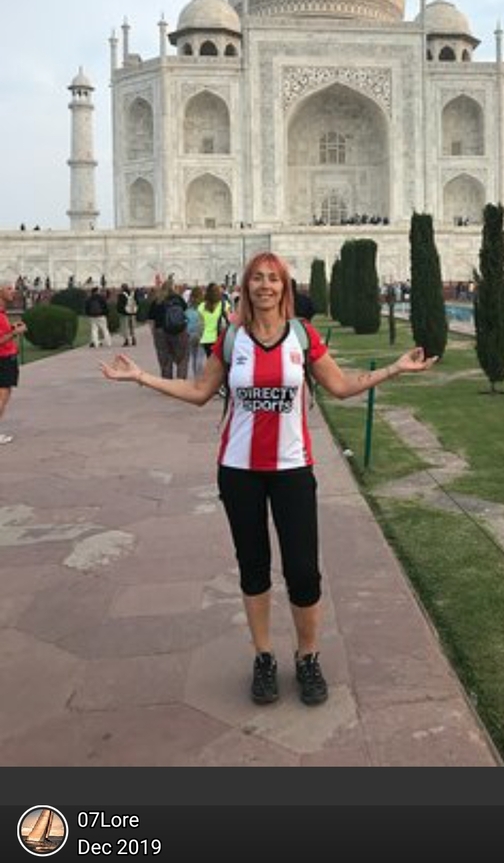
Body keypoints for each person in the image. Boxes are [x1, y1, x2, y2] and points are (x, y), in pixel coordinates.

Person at [100, 251, 438, 707]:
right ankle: (263, 657)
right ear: (246, 286)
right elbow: (200, 392)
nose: (265, 286)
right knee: (253, 567)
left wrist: (394, 369)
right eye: (257, 279)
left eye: (273, 279)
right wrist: (142, 376)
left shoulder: (302, 335)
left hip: (292, 469)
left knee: (303, 571)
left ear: (285, 287)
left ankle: (308, 656)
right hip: (240, 471)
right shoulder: (231, 339)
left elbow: (340, 385)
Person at [0, 282, 27, 445]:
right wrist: (15, 333)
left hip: (7, 358)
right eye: (9, 288)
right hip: (3, 359)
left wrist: (11, 329)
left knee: (4, 395)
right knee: (2, 397)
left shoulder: (2, 313)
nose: (13, 291)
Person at [147, 280, 189, 379]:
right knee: (182, 358)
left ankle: (167, 383)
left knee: (165, 358)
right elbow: (185, 313)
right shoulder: (178, 299)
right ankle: (181, 382)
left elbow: (151, 319)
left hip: (160, 332)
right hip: (178, 330)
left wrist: (154, 332)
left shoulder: (157, 301)